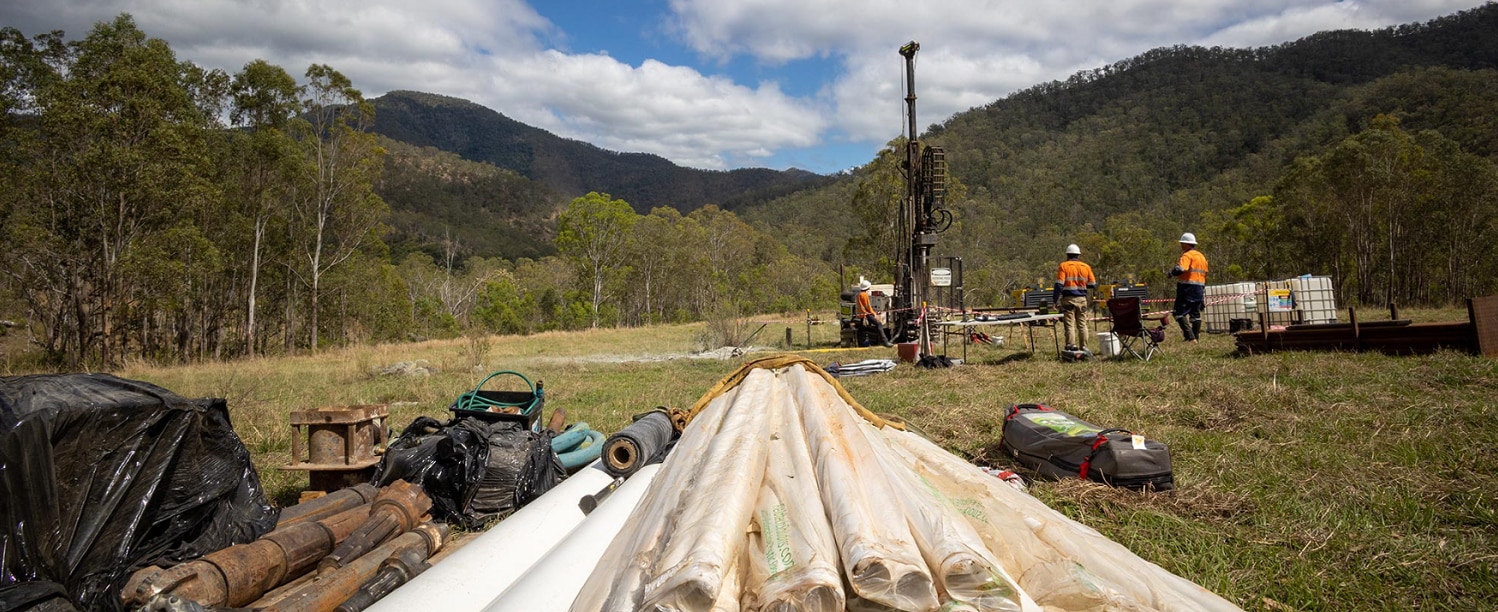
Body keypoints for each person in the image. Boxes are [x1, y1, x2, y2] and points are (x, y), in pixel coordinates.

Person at [1052, 244, 1097, 353]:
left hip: (1068, 299)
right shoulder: (1086, 267)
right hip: (1082, 299)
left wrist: (1054, 300)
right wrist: (1081, 286)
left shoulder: (1064, 266)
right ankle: (1084, 347)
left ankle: (1071, 346)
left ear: (1067, 254)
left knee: (1069, 325)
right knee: (1082, 324)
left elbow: (1059, 284)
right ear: (1078, 255)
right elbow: (1093, 284)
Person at [1169, 232, 1209, 342]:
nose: (1181, 245)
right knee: (1195, 315)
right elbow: (1205, 273)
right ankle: (1195, 338)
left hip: (1187, 288)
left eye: (1182, 243)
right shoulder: (1201, 256)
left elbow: (1180, 269)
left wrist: (1171, 273)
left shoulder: (1187, 255)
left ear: (1187, 244)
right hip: (1199, 289)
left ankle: (1190, 338)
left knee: (1178, 313)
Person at [854, 277, 894, 347]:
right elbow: (868, 307)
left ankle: (860, 344)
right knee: (878, 324)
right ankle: (885, 341)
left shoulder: (859, 294)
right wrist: (874, 313)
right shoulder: (864, 295)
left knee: (860, 329)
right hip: (866, 314)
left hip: (861, 314)